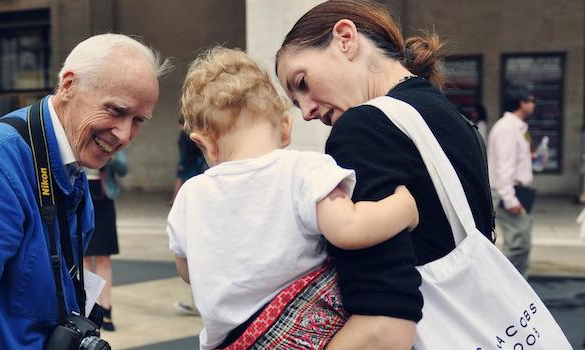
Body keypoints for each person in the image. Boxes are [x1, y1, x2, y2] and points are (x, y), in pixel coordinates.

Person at [0, 34, 169, 349]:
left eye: (139, 120)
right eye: (116, 110)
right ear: (69, 85)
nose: (125, 134)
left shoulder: (70, 158)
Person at [275, 0, 493, 348]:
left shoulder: (363, 128)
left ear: (345, 38)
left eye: (302, 82)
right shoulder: (449, 116)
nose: (307, 112)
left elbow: (382, 327)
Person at [170, 46, 419, 350]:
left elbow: (187, 271)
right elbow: (349, 229)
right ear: (285, 127)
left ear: (203, 143)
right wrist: (403, 208)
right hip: (300, 334)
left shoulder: (189, 195)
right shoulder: (303, 169)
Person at [488, 86, 536, 278]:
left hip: (520, 193)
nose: (533, 105)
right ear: (522, 103)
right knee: (518, 246)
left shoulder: (518, 128)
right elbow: (503, 166)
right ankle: (496, 283)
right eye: (531, 100)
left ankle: (516, 292)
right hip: (510, 194)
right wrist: (510, 199)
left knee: (520, 245)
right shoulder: (507, 128)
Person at [83, 150, 128, 331]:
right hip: (81, 194)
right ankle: (87, 308)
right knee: (84, 258)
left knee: (104, 258)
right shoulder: (79, 137)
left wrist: (110, 155)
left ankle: (106, 309)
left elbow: (123, 169)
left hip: (104, 196)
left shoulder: (112, 140)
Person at [171, 116, 206, 203]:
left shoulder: (189, 136)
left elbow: (190, 150)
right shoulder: (185, 135)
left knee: (184, 179)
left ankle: (178, 199)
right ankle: (176, 199)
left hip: (191, 160)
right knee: (182, 179)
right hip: (190, 160)